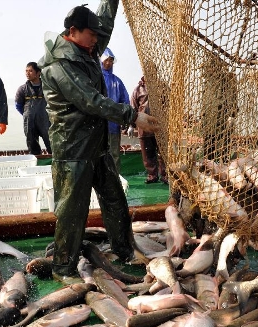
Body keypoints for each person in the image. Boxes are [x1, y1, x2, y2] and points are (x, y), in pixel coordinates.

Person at [38, 0, 159, 283]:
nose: (97, 40)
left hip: (97, 145)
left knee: (115, 198)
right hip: (73, 150)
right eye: (91, 35)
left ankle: (125, 249)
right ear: (72, 31)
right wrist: (133, 116)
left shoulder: (87, 46)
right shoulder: (59, 65)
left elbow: (103, 23)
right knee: (72, 210)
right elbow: (90, 101)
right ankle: (63, 266)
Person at [130, 76, 167, 184]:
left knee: (163, 153)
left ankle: (165, 175)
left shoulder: (162, 87)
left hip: (160, 126)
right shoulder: (138, 89)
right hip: (144, 128)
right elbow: (133, 107)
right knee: (147, 154)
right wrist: (131, 125)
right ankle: (152, 175)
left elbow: (169, 104)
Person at [100, 47, 129, 173]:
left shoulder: (117, 82)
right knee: (98, 155)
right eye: (106, 60)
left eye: (111, 60)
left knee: (114, 154)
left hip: (113, 126)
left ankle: (116, 179)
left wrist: (125, 121)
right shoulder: (96, 79)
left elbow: (125, 101)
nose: (108, 63)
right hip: (98, 126)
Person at [15, 62, 52, 155]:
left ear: (38, 72)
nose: (27, 73)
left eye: (30, 71)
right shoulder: (22, 89)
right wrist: (27, 114)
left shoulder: (48, 87)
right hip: (29, 121)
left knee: (51, 143)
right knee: (32, 146)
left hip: (46, 120)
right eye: (26, 71)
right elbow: (18, 105)